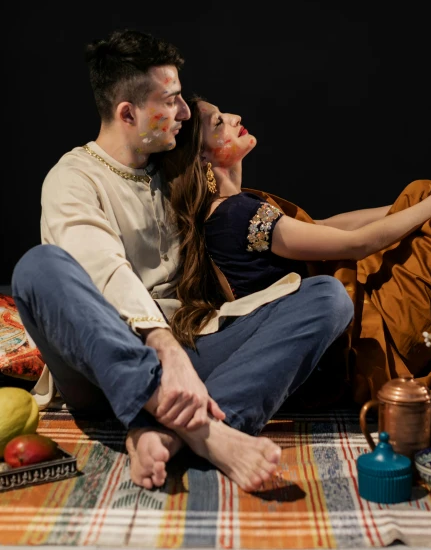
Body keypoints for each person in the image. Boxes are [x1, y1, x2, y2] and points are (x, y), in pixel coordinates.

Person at [10, 29, 355, 492]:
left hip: (190, 351)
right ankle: (207, 434)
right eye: (171, 100)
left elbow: (250, 213)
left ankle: (165, 434)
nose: (186, 112)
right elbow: (104, 271)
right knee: (37, 269)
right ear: (127, 113)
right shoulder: (73, 178)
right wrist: (162, 347)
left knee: (327, 298)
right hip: (102, 365)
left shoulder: (175, 169)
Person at [164, 96, 431, 416]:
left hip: (345, 326)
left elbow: (326, 225)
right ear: (204, 156)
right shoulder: (237, 215)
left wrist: (410, 206)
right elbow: (355, 245)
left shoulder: (229, 212)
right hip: (350, 345)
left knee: (424, 200)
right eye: (219, 122)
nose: (234, 116)